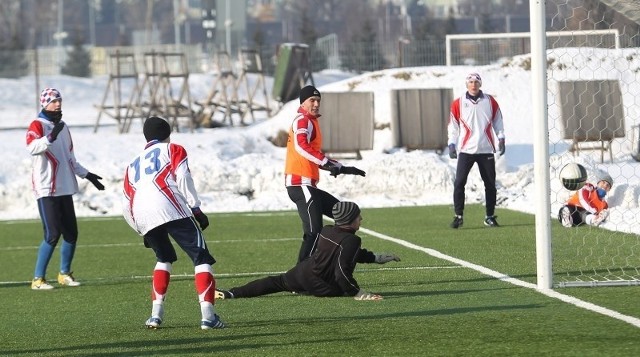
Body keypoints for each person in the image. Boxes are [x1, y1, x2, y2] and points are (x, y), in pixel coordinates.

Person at [122, 116, 225, 330]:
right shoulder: (173, 149)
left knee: (164, 258)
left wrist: (140, 229)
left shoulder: (132, 164)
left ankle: (155, 316)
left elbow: (126, 202)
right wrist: (195, 207)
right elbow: (183, 176)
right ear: (168, 134)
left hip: (142, 214)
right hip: (170, 206)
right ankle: (208, 317)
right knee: (201, 257)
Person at [215, 201, 400, 301]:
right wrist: (358, 293)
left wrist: (375, 257)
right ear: (350, 220)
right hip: (323, 286)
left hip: (303, 273)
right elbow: (342, 272)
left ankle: (231, 293)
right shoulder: (352, 240)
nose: (361, 219)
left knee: (275, 282)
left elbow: (344, 253)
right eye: (358, 216)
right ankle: (307, 289)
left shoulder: (327, 230)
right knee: (338, 287)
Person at [26, 88, 105, 290]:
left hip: (64, 187)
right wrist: (50, 137)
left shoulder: (62, 126)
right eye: (53, 101)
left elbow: (69, 158)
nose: (58, 104)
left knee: (71, 233)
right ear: (44, 104)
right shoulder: (38, 125)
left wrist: (87, 175)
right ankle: (38, 279)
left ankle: (64, 274)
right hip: (46, 188)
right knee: (52, 234)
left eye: (59, 100)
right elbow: (32, 147)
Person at [285, 85, 366, 263]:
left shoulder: (311, 121)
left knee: (346, 216)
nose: (315, 104)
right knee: (313, 231)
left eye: (318, 101)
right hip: (300, 184)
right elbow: (301, 146)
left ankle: (339, 259)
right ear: (303, 103)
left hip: (308, 185)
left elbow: (312, 154)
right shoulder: (302, 120)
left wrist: (342, 167)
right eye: (312, 100)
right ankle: (300, 276)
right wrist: (326, 163)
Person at [447, 73, 505, 229]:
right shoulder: (458, 103)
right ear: (467, 84)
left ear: (480, 84)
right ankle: (458, 216)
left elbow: (498, 121)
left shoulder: (490, 101)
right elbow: (453, 127)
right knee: (459, 182)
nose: (473, 85)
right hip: (466, 150)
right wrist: (451, 144)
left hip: (486, 149)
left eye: (476, 82)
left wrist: (501, 138)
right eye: (471, 82)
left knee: (490, 184)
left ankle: (490, 216)